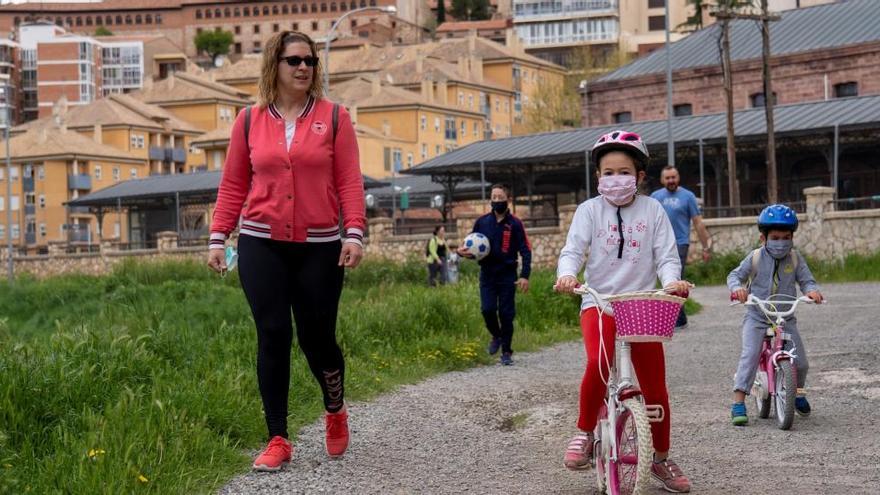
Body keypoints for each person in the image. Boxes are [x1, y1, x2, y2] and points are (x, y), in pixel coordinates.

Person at [206, 31, 365, 472]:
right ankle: (277, 436)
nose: (303, 68)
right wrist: (218, 236)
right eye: (294, 60)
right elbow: (234, 182)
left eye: (310, 62)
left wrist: (353, 233)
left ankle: (335, 411)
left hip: (320, 246)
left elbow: (350, 181)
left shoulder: (335, 118)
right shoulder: (248, 120)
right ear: (274, 64)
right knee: (273, 333)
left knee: (318, 340)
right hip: (260, 242)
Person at [555, 130, 692, 493]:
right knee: (598, 365)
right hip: (598, 302)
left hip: (641, 304)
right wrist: (567, 275)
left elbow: (666, 256)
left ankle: (660, 458)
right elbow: (572, 250)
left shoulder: (653, 210)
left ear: (640, 176)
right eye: (608, 172)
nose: (616, 179)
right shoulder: (589, 210)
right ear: (598, 176)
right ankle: (584, 432)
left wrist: (672, 282)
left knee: (655, 388)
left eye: (624, 171)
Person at [727, 204, 823, 426]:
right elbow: (735, 276)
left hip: (785, 317)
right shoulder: (755, 257)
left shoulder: (795, 259)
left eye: (786, 237)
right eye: (775, 237)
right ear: (764, 238)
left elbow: (807, 280)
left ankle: (797, 392)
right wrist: (737, 289)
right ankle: (738, 401)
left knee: (801, 362)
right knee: (750, 355)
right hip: (757, 316)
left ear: (792, 238)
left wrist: (811, 291)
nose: (781, 242)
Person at [458, 184, 531, 366]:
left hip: (507, 275)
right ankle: (496, 336)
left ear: (508, 200)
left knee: (506, 314)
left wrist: (524, 275)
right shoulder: (482, 222)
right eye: (494, 197)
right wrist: (461, 253)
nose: (497, 200)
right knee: (487, 309)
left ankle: (506, 351)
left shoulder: (515, 224)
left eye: (500, 197)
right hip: (487, 274)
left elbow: (526, 250)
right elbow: (470, 246)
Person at [650, 166, 712, 329]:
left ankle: (675, 319)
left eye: (673, 177)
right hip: (657, 244)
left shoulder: (688, 196)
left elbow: (698, 222)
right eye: (667, 178)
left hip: (679, 243)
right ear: (662, 180)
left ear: (678, 178)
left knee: (675, 279)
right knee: (658, 281)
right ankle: (678, 317)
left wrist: (706, 247)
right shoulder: (655, 197)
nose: (671, 181)